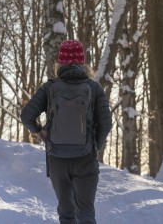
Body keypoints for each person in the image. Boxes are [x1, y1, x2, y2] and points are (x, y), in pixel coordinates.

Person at [21, 39, 112, 224]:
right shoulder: (94, 88)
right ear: (83, 63)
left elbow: (26, 116)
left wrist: (40, 132)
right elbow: (106, 123)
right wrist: (95, 147)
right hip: (85, 158)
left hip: (57, 159)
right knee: (85, 212)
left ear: (59, 62)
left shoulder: (49, 87)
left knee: (66, 214)